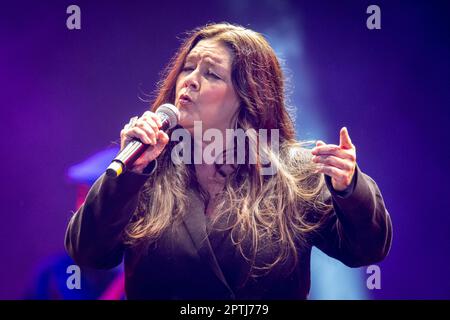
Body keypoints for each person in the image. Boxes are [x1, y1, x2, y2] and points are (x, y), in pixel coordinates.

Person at [65, 23, 392, 299]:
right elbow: (89, 251)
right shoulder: (147, 166)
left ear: (248, 96)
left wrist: (349, 188)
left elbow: (365, 249)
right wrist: (127, 179)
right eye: (188, 67)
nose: (190, 79)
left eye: (212, 74)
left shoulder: (294, 172)